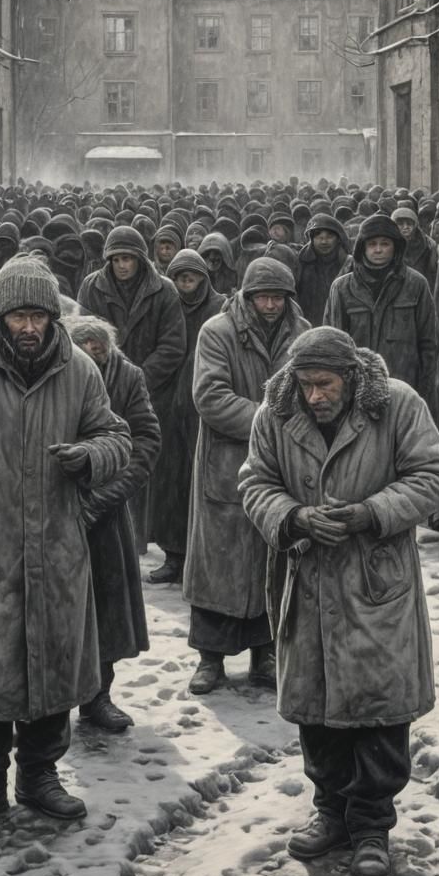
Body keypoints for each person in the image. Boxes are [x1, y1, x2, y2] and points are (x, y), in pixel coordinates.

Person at [0, 255, 131, 833]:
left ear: (54, 317)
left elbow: (117, 437)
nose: (30, 327)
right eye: (19, 316)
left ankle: (40, 774)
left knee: (52, 663)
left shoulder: (80, 370)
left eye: (39, 315)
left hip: (58, 547)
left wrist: (91, 456)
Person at [239, 326, 439, 876]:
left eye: (325, 385)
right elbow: (255, 482)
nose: (314, 396)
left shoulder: (398, 404)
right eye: (305, 385)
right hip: (307, 580)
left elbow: (434, 476)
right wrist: (294, 517)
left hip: (375, 583)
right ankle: (330, 812)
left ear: (352, 377)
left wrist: (370, 513)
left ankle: (373, 828)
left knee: (379, 708)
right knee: (317, 708)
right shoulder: (275, 413)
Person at [184, 257, 311, 694]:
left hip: (281, 466)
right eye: (263, 297)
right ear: (247, 295)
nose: (271, 305)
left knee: (271, 560)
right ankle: (209, 658)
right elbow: (210, 396)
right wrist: (269, 421)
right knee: (218, 564)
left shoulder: (302, 333)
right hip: (226, 463)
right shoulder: (217, 331)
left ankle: (266, 654)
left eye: (278, 297)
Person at [65, 315, 161, 731]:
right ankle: (47, 704)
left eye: (99, 348)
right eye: (83, 348)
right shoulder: (54, 373)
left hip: (107, 513)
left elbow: (145, 441)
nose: (93, 354)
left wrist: (103, 497)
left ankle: (98, 697)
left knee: (106, 608)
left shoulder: (128, 377)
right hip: (53, 509)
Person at [78, 226, 186, 548]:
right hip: (100, 390)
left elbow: (172, 345)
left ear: (140, 259)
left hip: (153, 394)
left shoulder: (164, 290)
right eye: (116, 259)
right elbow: (82, 337)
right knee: (105, 466)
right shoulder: (92, 287)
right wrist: (106, 377)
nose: (122, 265)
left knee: (145, 467)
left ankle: (146, 543)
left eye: (128, 258)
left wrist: (135, 379)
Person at [148, 250, 225, 584]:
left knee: (205, 480)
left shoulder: (220, 307)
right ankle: (173, 556)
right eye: (179, 277)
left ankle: (203, 558)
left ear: (203, 278)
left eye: (191, 276)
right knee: (170, 483)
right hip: (168, 404)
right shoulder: (167, 306)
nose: (185, 282)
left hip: (205, 405)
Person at [324, 214, 438, 414]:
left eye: (385, 244)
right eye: (372, 244)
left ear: (395, 247)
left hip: (404, 388)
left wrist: (424, 392)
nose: (378, 250)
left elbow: (429, 343)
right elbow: (333, 345)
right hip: (357, 391)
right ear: (362, 248)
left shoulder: (416, 284)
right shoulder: (342, 288)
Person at [296, 215, 350, 327]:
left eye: (330, 236)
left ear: (338, 238)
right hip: (308, 327)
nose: (324, 241)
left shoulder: (349, 265)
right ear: (311, 239)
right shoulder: (300, 264)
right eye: (318, 236)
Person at [393, 207, 437, 292]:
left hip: (419, 288)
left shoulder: (427, 245)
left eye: (409, 224)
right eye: (400, 224)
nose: (405, 227)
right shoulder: (389, 243)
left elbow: (432, 273)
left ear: (415, 225)